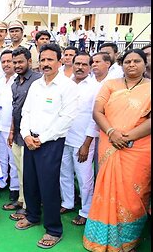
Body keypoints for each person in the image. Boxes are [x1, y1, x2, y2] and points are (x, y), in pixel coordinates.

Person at [83, 49, 151, 252]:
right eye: (127, 61)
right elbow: (97, 111)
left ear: (144, 63)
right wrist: (112, 132)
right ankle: (101, 239)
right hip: (109, 143)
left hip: (139, 148)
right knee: (107, 188)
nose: (131, 65)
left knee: (132, 193)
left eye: (136, 61)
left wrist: (127, 137)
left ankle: (128, 239)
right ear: (121, 65)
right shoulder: (110, 85)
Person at [16, 43, 78, 249]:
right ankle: (33, 215)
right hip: (30, 140)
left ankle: (53, 229)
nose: (46, 64)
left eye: (50, 59)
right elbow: (26, 113)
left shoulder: (67, 87)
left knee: (49, 185)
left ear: (60, 62)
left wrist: (41, 139)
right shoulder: (36, 85)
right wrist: (25, 135)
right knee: (30, 180)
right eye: (43, 60)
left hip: (50, 143)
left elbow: (66, 119)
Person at [59, 52, 97, 226]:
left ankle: (86, 211)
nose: (80, 67)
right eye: (77, 64)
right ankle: (67, 202)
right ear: (72, 65)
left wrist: (87, 143)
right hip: (62, 137)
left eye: (84, 64)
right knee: (64, 173)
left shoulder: (94, 87)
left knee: (84, 177)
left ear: (90, 67)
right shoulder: (64, 84)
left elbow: (95, 117)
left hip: (83, 140)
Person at [5, 46, 41, 219]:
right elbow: (15, 109)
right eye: (15, 62)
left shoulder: (38, 80)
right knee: (19, 169)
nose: (17, 65)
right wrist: (12, 131)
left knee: (29, 172)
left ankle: (29, 206)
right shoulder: (14, 83)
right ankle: (21, 200)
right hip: (18, 133)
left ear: (29, 61)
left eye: (20, 62)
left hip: (32, 134)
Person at [0, 50, 19, 204]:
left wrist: (13, 128)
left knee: (13, 160)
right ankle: (2, 182)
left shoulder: (19, 80)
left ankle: (15, 188)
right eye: (3, 62)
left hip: (12, 126)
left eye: (9, 61)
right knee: (1, 157)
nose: (6, 64)